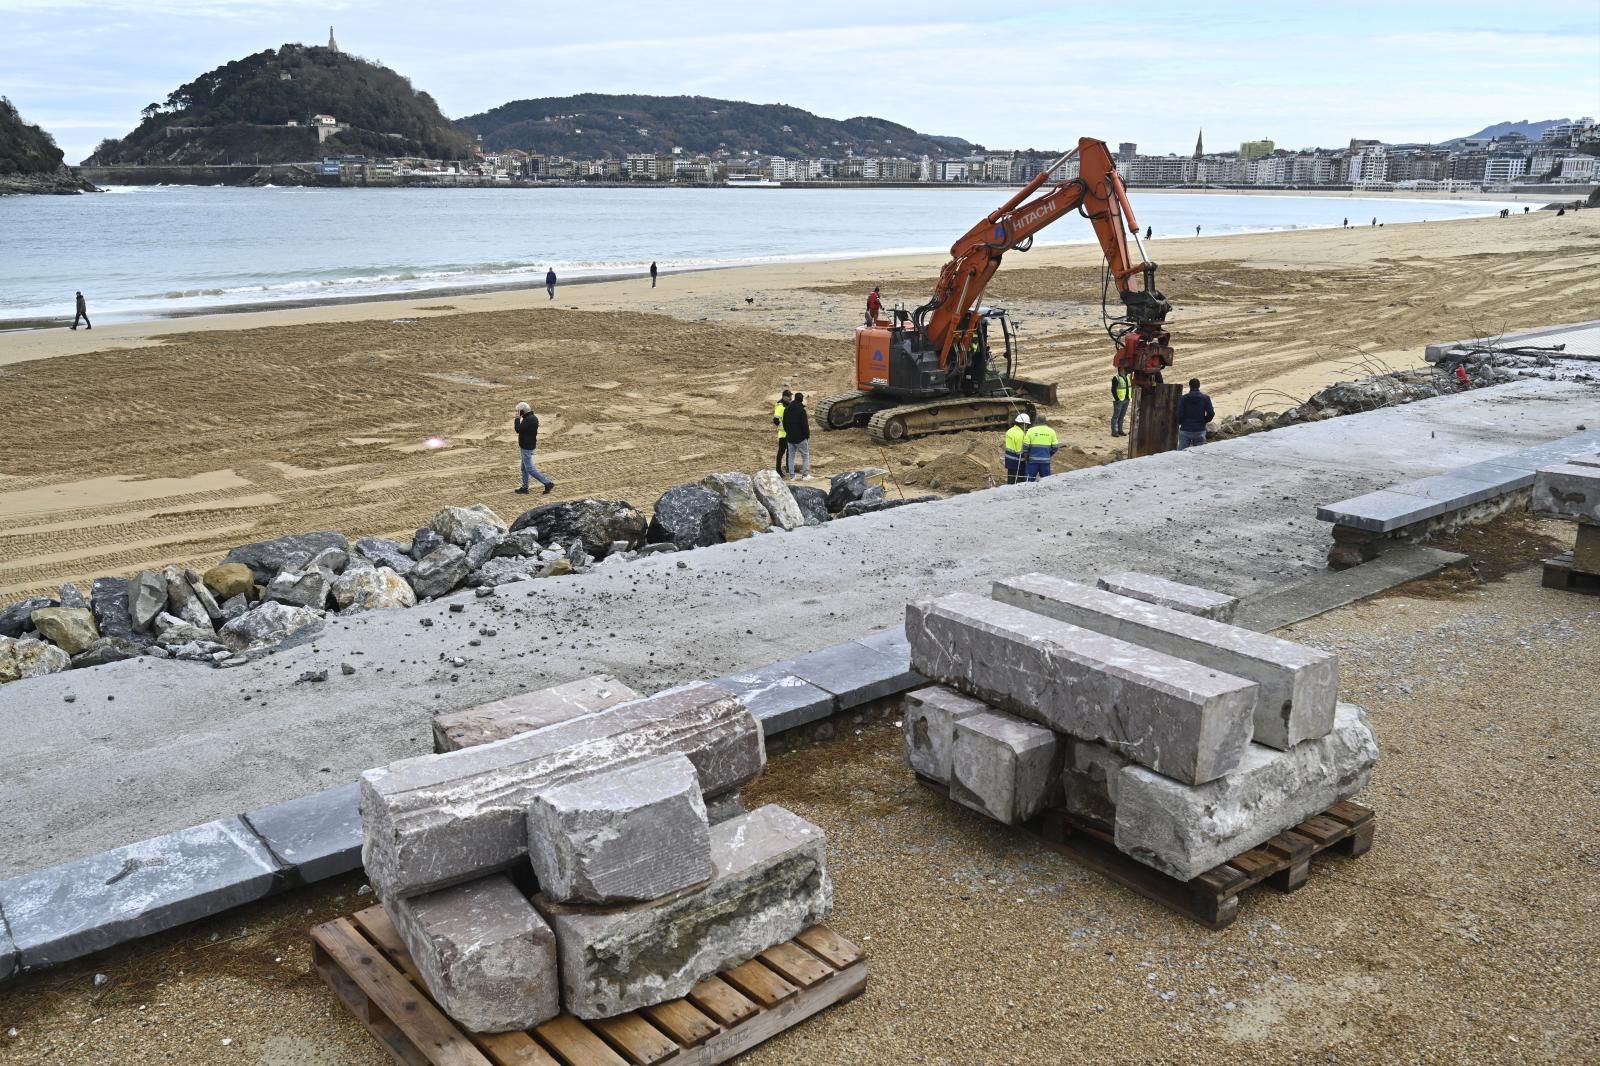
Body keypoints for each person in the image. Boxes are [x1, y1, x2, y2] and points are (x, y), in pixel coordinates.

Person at [513, 401, 556, 495]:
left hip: (527, 447)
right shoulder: (531, 417)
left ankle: (548, 483)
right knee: (524, 468)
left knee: (530, 469)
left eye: (519, 411)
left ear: (523, 411)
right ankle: (525, 488)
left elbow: (518, 429)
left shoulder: (529, 419)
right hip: (528, 445)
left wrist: (517, 418)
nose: (518, 413)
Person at [1176, 377, 1214, 450]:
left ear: (1190, 386)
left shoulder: (1183, 398)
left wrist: (1181, 423)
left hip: (1185, 429)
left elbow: (1179, 414)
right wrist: (1204, 421)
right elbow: (1211, 413)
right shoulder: (1205, 398)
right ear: (1199, 386)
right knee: (1199, 453)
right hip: (1199, 430)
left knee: (1182, 453)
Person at [782, 392, 811, 480]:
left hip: (790, 437)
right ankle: (805, 475)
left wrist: (788, 433)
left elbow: (784, 423)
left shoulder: (787, 409)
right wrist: (806, 436)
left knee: (791, 456)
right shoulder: (801, 410)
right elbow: (805, 425)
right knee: (805, 456)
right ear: (801, 400)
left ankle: (792, 476)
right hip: (800, 438)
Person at [1023, 415, 1059, 480]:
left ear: (1036, 421)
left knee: (1029, 480)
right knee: (1046, 480)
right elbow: (1055, 447)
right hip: (1045, 461)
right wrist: (1049, 454)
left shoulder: (1030, 430)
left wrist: (1026, 457)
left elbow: (1025, 446)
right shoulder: (1051, 431)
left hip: (1032, 461)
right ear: (1045, 421)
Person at [1003, 413, 1029, 484]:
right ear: (1023, 424)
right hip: (1017, 462)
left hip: (1009, 459)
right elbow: (1019, 452)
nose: (1026, 426)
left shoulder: (1010, 430)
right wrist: (1026, 459)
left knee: (1011, 480)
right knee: (1019, 482)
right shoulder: (1020, 434)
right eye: (1026, 424)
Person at [773, 389, 791, 476]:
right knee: (781, 452)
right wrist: (784, 426)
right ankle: (778, 470)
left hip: (789, 433)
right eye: (789, 396)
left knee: (789, 452)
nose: (790, 398)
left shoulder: (787, 405)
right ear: (784, 397)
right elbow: (776, 420)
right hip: (783, 434)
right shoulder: (780, 406)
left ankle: (789, 469)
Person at [1110, 368, 1132, 437]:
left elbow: (1129, 387)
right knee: (1116, 416)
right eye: (1123, 370)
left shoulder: (1128, 377)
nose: (1124, 371)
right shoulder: (1116, 378)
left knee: (1122, 416)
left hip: (1126, 399)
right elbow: (1113, 390)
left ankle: (1120, 430)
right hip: (1119, 401)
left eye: (1124, 370)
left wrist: (1130, 397)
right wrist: (1117, 399)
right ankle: (1114, 431)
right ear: (1120, 370)